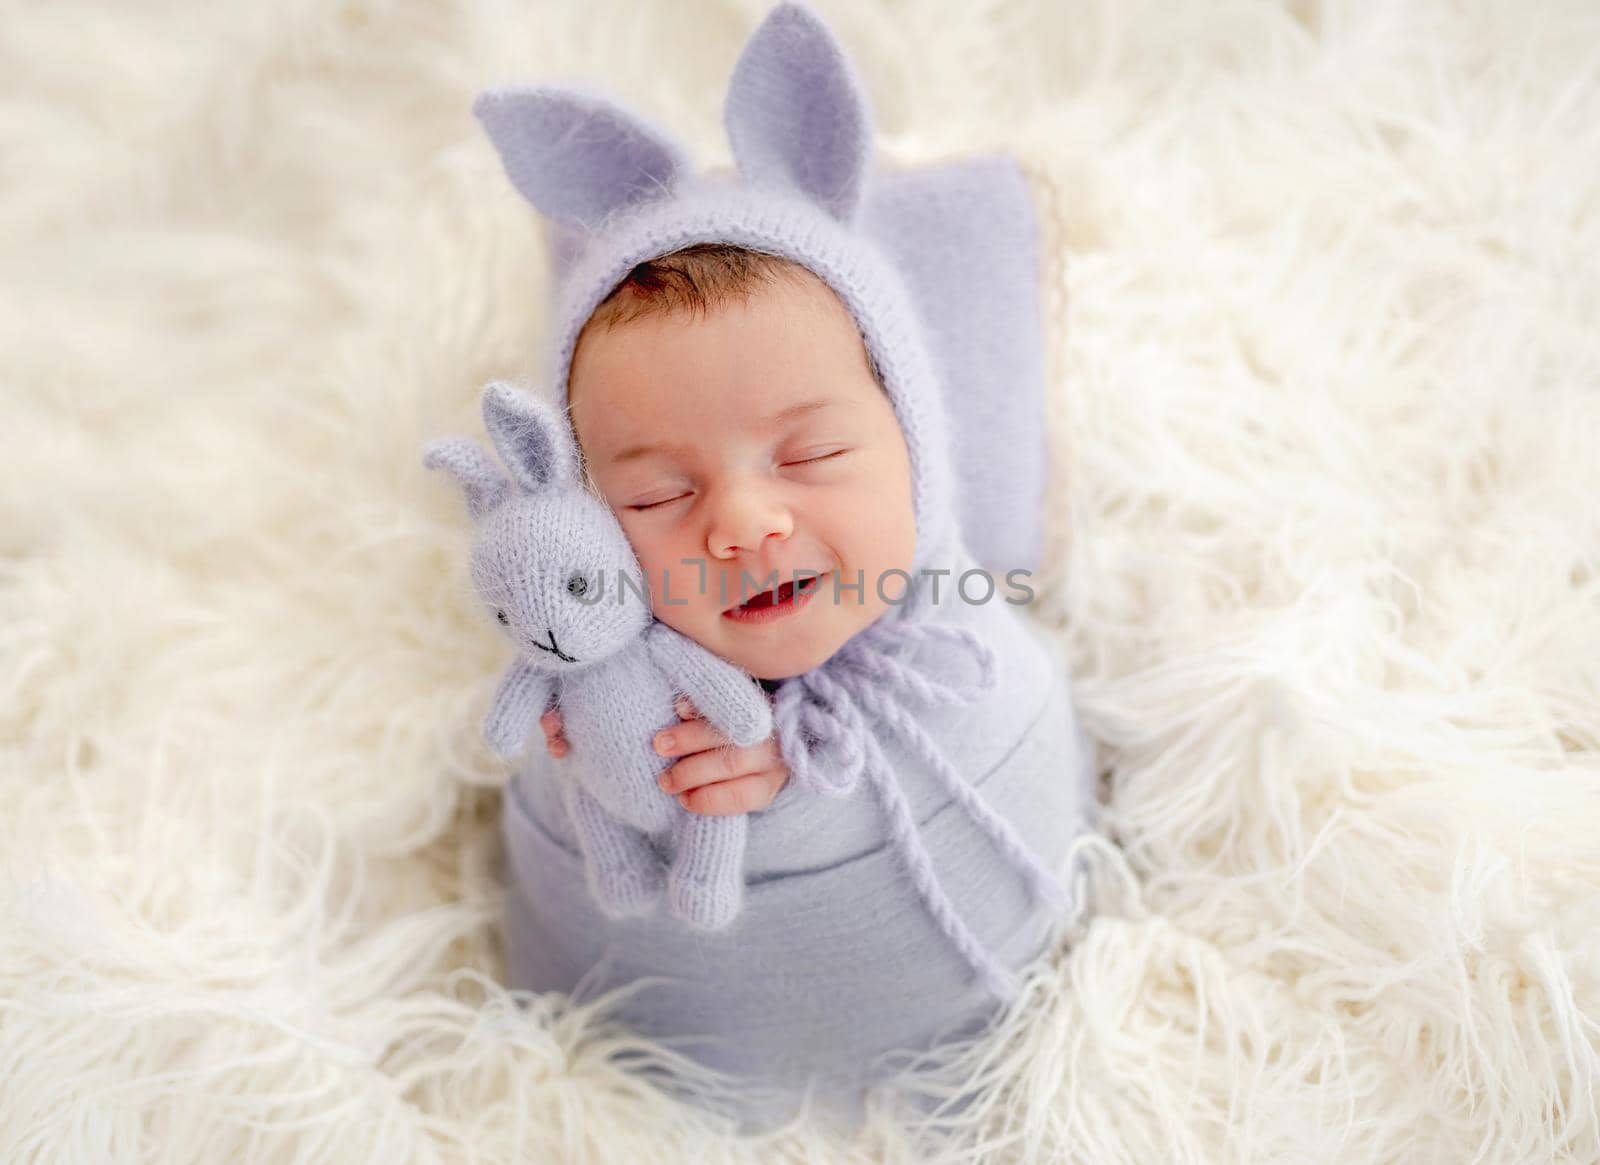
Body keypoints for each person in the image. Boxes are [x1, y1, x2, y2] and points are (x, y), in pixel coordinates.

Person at [481, 1, 1099, 1136]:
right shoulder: (613, 689)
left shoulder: (966, 646)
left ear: (913, 441)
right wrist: (622, 779)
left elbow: (1014, 757)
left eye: (810, 454)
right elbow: (586, 876)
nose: (744, 523)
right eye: (658, 495)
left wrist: (792, 790)